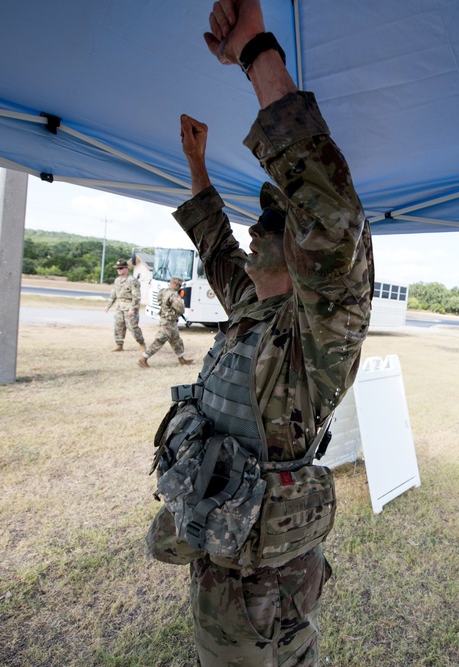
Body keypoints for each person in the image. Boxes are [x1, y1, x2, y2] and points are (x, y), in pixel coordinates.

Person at [155, 0, 373, 664]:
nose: (255, 231)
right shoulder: (252, 306)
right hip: (216, 563)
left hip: (265, 601)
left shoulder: (315, 342)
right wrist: (197, 163)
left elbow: (330, 214)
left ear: (303, 250)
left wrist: (257, 53)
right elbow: (216, 245)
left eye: (272, 222)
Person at [138, 276, 193, 367]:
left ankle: (181, 359)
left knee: (176, 340)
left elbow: (159, 301)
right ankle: (143, 358)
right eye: (179, 285)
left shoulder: (163, 291)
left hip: (168, 320)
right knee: (160, 340)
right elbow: (180, 308)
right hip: (168, 322)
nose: (179, 287)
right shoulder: (173, 295)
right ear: (175, 284)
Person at [104, 258, 146, 352]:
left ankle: (141, 343)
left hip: (129, 307)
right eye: (118, 268)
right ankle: (119, 345)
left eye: (121, 268)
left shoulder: (132, 280)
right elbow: (113, 294)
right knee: (118, 326)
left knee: (132, 327)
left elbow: (136, 297)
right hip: (119, 307)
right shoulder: (117, 280)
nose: (119, 270)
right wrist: (108, 305)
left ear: (126, 268)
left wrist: (132, 309)